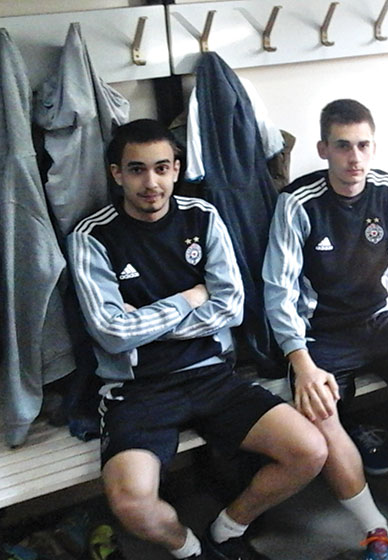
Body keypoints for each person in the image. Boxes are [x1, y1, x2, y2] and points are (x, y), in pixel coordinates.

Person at [68, 119, 327, 560]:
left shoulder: (201, 216)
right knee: (131, 503)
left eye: (161, 168)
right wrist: (189, 298)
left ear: (176, 169)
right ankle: (191, 551)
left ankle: (227, 529)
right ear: (117, 174)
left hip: (212, 375)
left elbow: (231, 307)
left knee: (310, 451)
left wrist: (144, 324)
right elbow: (112, 333)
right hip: (138, 389)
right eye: (136, 170)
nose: (151, 183)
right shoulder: (92, 235)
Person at [262, 99, 388, 560]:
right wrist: (301, 362)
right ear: (323, 149)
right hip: (320, 333)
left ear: (374, 147)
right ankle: (374, 529)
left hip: (378, 321)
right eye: (343, 146)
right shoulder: (297, 203)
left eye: (363, 145)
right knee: (319, 412)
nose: (355, 158)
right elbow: (278, 289)